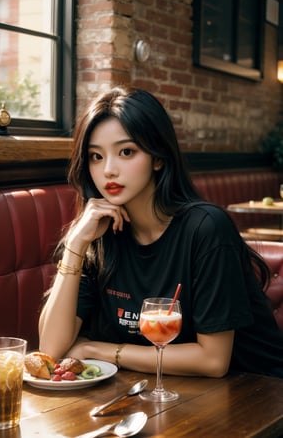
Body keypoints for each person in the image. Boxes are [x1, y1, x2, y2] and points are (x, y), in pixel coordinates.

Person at [39, 86, 283, 378]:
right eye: (96, 156)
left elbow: (213, 361)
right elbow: (50, 350)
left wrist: (100, 350)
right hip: (163, 395)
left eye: (126, 152)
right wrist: (76, 245)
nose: (109, 171)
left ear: (158, 157)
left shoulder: (206, 228)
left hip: (255, 396)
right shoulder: (98, 237)